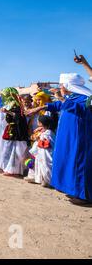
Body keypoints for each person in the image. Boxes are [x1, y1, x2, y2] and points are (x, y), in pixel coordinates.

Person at [26, 73, 92, 205]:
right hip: (67, 137)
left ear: (68, 86)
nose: (60, 87)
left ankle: (84, 196)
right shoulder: (71, 97)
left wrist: (61, 98)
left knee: (78, 164)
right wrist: (40, 107)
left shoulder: (85, 99)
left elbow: (80, 110)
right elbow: (58, 105)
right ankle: (73, 190)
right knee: (68, 162)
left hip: (79, 139)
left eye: (62, 84)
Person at [0, 87, 29, 177]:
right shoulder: (12, 104)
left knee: (16, 152)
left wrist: (8, 112)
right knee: (10, 151)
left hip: (18, 132)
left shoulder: (17, 105)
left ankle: (14, 171)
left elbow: (19, 117)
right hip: (13, 130)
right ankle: (10, 169)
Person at [26, 115, 56, 187]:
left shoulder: (48, 132)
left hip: (46, 153)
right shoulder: (43, 130)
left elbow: (47, 142)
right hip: (40, 152)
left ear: (41, 123)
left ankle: (48, 181)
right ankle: (37, 178)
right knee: (38, 164)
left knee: (46, 165)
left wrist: (38, 138)